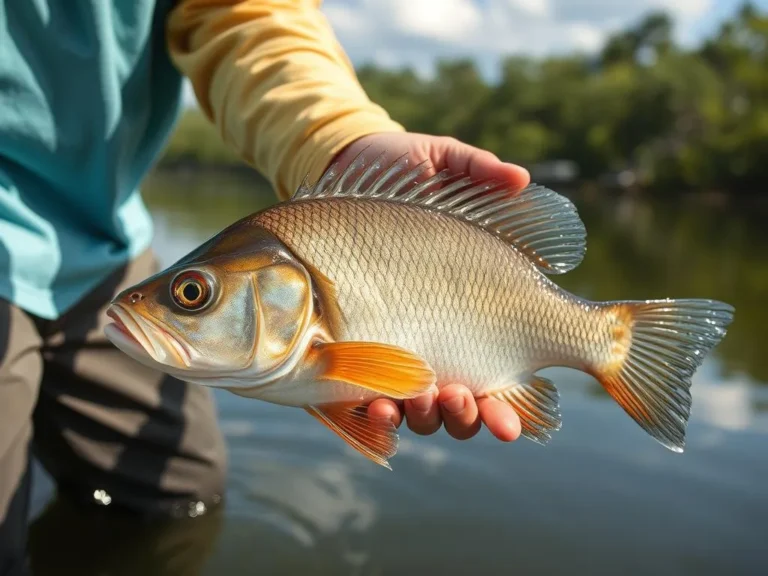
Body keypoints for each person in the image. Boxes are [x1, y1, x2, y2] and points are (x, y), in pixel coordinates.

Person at [0, 1, 527, 573]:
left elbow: (243, 14)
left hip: (100, 233)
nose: (192, 298)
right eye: (193, 296)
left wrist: (340, 143)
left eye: (194, 295)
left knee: (178, 492)